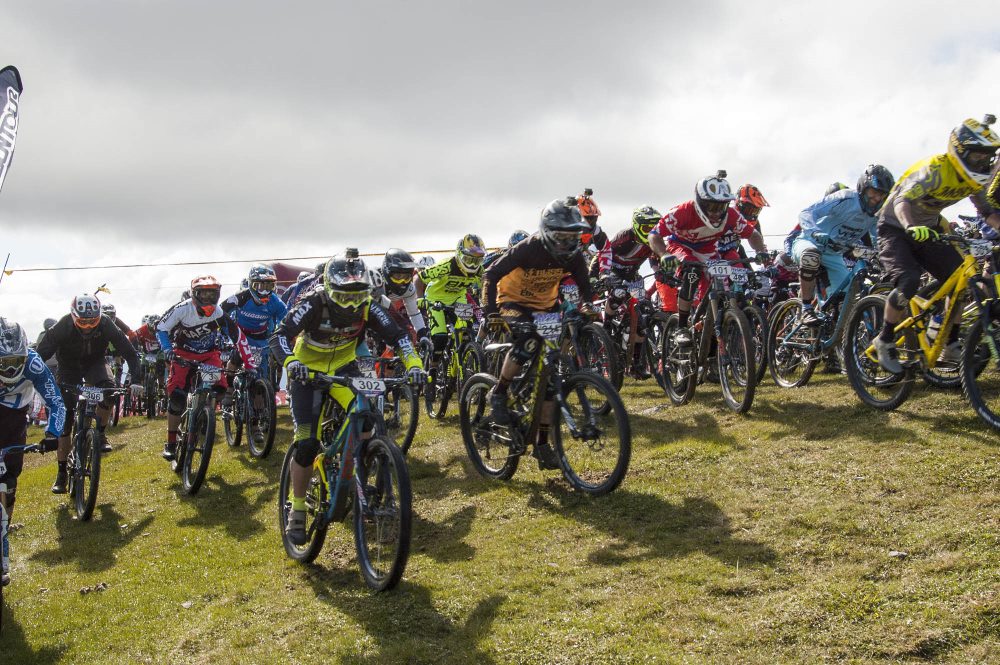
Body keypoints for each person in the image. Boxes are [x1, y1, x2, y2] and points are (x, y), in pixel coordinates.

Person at [270, 251, 425, 545]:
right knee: (306, 443)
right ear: (329, 289)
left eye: (358, 294)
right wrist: (291, 363)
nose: (352, 303)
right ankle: (298, 507)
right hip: (308, 372)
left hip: (344, 366)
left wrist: (414, 363)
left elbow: (399, 336)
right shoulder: (313, 302)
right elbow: (279, 335)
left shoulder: (367, 306)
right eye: (344, 295)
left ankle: (358, 477)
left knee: (366, 418)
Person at [874, 116, 1000, 373]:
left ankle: (949, 342)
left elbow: (987, 211)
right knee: (908, 281)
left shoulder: (972, 180)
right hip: (895, 227)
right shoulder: (935, 169)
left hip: (929, 229)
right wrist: (910, 227)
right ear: (960, 150)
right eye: (976, 157)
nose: (983, 163)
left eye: (987, 158)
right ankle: (884, 340)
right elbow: (902, 201)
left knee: (961, 280)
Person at [483, 197, 597, 469]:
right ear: (546, 233)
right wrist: (491, 314)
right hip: (512, 302)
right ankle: (499, 391)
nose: (566, 243)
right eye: (560, 237)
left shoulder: (574, 254)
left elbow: (584, 283)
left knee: (549, 381)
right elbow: (491, 273)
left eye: (572, 237)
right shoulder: (529, 247)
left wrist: (589, 306)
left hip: (546, 306)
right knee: (528, 341)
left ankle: (543, 445)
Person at [648, 171, 770, 346]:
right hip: (681, 246)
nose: (716, 212)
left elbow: (753, 235)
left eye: (721, 206)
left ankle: (712, 341)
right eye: (711, 207)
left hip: (709, 251)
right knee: (693, 271)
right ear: (699, 202)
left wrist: (760, 251)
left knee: (721, 292)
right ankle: (682, 327)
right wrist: (664, 254)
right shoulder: (682, 211)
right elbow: (654, 235)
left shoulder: (731, 216)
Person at [36, 295, 140, 489]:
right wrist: (39, 378)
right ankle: (61, 472)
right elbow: (42, 353)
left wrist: (137, 379)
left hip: (95, 363)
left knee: (109, 391)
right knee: (65, 419)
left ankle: (99, 433)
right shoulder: (63, 325)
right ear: (74, 316)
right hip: (69, 367)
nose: (88, 326)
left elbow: (128, 350)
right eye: (83, 322)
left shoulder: (107, 323)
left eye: (93, 321)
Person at [156, 276, 256, 460]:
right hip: (182, 354)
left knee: (220, 388)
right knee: (177, 398)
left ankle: (204, 415)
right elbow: (161, 328)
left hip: (209, 355)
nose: (209, 298)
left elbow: (239, 337)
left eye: (213, 294)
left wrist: (250, 365)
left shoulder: (219, 313)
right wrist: (167, 349)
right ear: (195, 294)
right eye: (204, 293)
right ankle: (170, 442)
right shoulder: (182, 309)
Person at [0, 318, 64, 586]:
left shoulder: (35, 363)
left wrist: (52, 433)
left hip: (14, 417)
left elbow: (56, 402)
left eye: (17, 360)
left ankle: (5, 522)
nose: (12, 368)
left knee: (10, 478)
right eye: (5, 363)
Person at [792, 164, 895, 326]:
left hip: (834, 254)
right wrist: (815, 231)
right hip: (809, 242)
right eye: (873, 193)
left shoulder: (876, 214)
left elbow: (879, 240)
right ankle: (806, 309)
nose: (876, 199)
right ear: (863, 187)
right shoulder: (845, 197)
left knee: (846, 301)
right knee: (811, 256)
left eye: (881, 196)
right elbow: (806, 213)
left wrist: (882, 255)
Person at [597, 206, 662, 378]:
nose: (651, 232)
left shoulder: (654, 240)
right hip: (614, 273)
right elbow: (603, 254)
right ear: (637, 226)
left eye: (654, 228)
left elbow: (660, 258)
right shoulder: (624, 237)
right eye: (647, 228)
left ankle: (636, 364)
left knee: (642, 320)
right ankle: (607, 326)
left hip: (633, 275)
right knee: (618, 293)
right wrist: (599, 277)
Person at [416, 234, 486, 371]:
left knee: (467, 330)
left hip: (458, 298)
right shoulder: (446, 265)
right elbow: (418, 279)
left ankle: (461, 361)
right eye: (468, 259)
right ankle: (433, 366)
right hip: (435, 298)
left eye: (476, 261)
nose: (472, 265)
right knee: (440, 337)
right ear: (459, 255)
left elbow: (485, 284)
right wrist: (420, 299)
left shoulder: (480, 271)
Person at [220, 264, 288, 385]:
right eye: (260, 287)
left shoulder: (276, 302)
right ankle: (229, 390)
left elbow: (287, 320)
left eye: (269, 286)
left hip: (262, 338)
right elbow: (220, 312)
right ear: (251, 285)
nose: (265, 291)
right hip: (241, 336)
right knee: (234, 361)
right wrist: (224, 333)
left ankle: (264, 397)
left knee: (263, 376)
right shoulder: (239, 297)